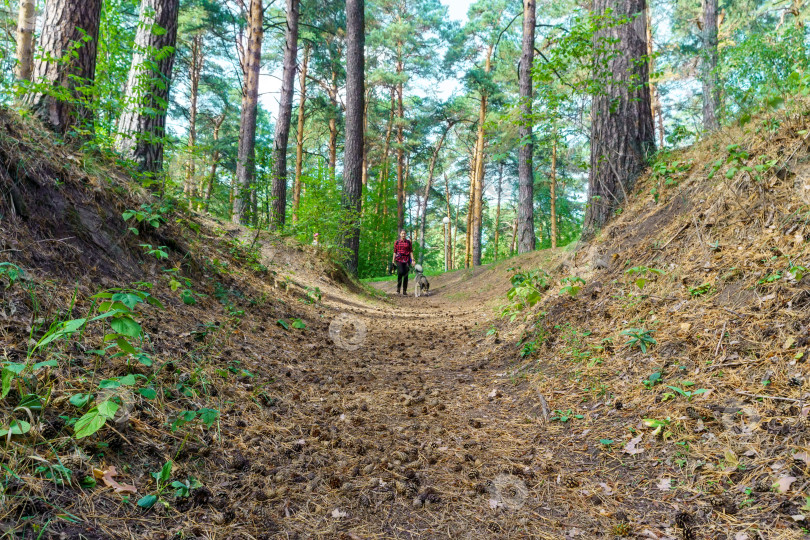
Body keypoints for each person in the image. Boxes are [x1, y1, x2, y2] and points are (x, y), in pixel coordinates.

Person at [392, 229, 414, 296]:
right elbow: (395, 252)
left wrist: (413, 260)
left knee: (406, 275)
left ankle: (404, 291)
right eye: (402, 233)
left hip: (407, 259)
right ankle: (398, 290)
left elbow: (411, 251)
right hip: (399, 259)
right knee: (400, 273)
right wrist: (393, 260)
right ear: (400, 234)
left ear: (406, 234)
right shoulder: (397, 242)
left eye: (404, 233)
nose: (403, 235)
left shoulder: (408, 242)